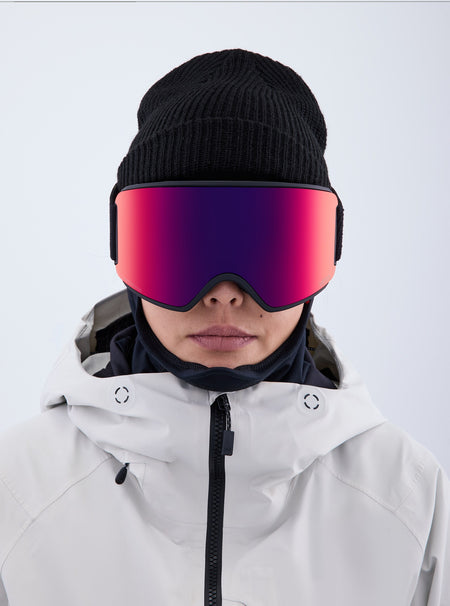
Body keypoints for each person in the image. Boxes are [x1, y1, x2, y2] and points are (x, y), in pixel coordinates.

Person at [0, 48, 448, 606]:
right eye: (184, 248)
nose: (224, 293)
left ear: (324, 250)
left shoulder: (407, 497)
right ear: (125, 248)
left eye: (268, 251)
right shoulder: (18, 489)